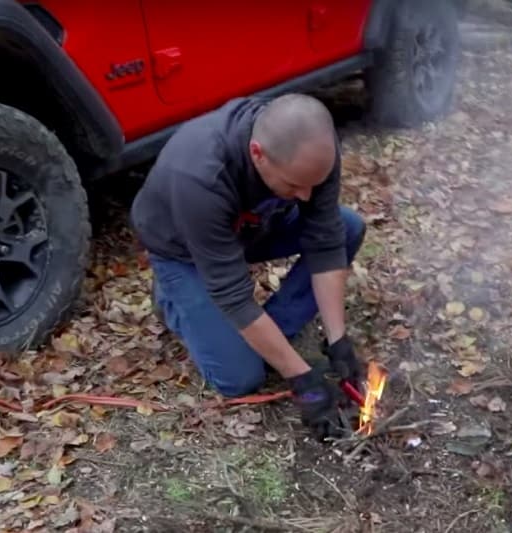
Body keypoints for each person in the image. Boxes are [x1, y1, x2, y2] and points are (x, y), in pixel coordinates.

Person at [129, 93, 366, 439]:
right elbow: (234, 296)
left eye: (311, 186)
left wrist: (338, 339)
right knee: (239, 377)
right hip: (185, 250)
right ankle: (172, 297)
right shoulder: (200, 175)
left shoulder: (314, 155)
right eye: (293, 185)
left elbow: (327, 241)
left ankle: (273, 332)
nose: (305, 196)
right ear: (258, 154)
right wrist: (304, 381)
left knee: (348, 228)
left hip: (254, 227)